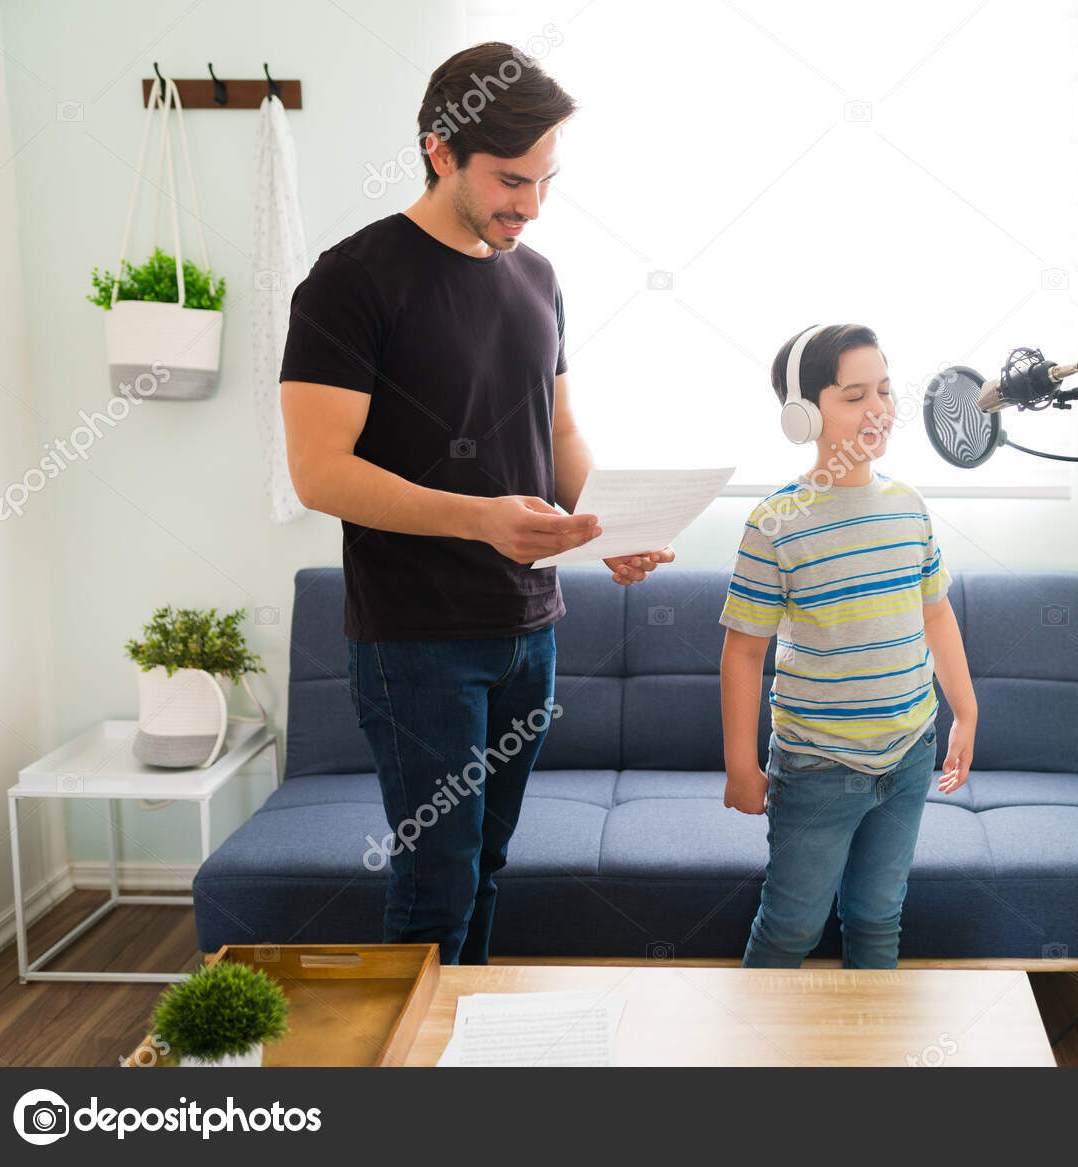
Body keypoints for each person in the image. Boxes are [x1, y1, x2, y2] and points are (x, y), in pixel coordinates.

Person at [278, 43, 672, 964]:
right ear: (439, 150)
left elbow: (559, 433)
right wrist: (481, 516)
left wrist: (604, 524)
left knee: (485, 866)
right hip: (415, 641)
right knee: (434, 886)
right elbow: (319, 472)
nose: (530, 204)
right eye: (510, 179)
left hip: (529, 626)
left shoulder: (537, 277)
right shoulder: (350, 281)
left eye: (546, 180)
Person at [718, 322, 977, 969]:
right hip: (817, 768)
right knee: (791, 927)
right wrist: (740, 766)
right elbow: (743, 653)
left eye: (884, 390)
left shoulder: (909, 507)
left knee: (877, 915)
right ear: (803, 415)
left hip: (909, 753)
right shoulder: (775, 522)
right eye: (855, 394)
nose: (879, 408)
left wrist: (965, 712)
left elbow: (937, 614)